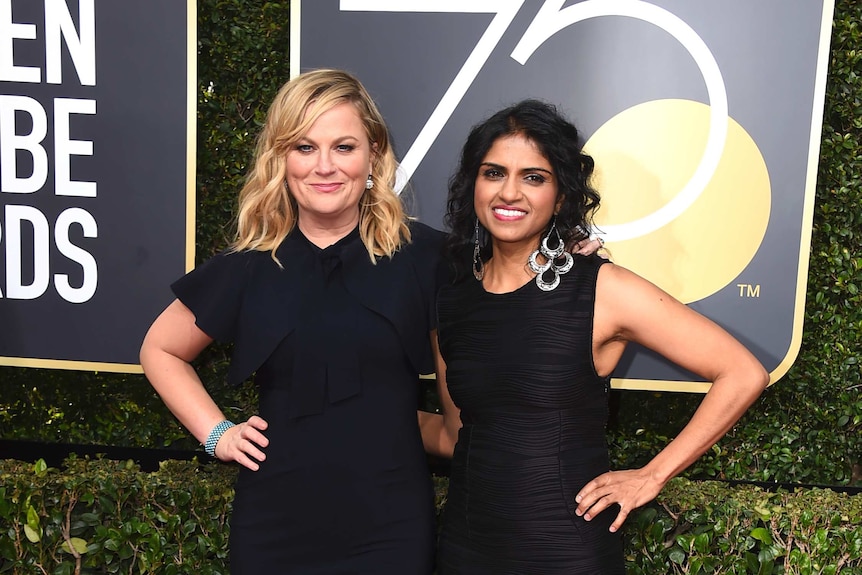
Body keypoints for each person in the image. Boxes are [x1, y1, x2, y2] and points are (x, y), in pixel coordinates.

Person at [420, 99, 770, 573]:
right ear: (473, 186)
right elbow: (457, 434)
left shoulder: (602, 289)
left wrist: (651, 475)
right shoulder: (453, 300)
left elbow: (742, 372)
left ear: (561, 195)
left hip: (566, 551)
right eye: (494, 173)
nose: (510, 193)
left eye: (534, 177)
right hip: (465, 548)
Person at [139, 69, 446, 573]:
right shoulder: (248, 267)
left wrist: (571, 257)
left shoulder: (427, 257)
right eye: (304, 147)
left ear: (373, 155)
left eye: (343, 147)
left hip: (391, 525)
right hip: (274, 523)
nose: (324, 166)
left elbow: (512, 291)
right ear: (281, 160)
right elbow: (160, 349)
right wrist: (217, 434)